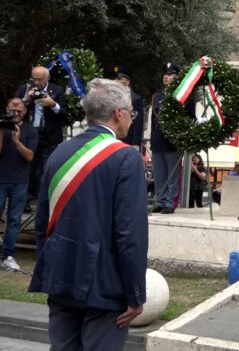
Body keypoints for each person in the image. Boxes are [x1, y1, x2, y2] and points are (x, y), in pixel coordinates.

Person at [28, 78, 148, 350]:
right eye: (132, 112)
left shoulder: (60, 151)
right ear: (119, 113)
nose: (132, 118)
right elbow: (130, 233)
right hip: (105, 285)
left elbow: (41, 221)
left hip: (60, 277)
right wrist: (136, 293)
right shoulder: (125, 157)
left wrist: (49, 268)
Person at [15, 66, 67, 207]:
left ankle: (43, 200)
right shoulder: (25, 89)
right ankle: (24, 200)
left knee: (46, 169)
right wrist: (26, 99)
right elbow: (14, 110)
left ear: (48, 78)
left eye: (40, 80)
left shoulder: (57, 90)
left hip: (48, 136)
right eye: (34, 79)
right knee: (28, 169)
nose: (36, 83)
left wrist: (53, 104)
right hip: (30, 134)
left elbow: (64, 115)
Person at [150, 62, 194, 214]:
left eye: (170, 74)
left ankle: (170, 202)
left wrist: (184, 139)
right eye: (165, 74)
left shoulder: (184, 96)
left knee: (173, 175)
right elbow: (153, 120)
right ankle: (159, 200)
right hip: (157, 141)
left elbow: (190, 118)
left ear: (177, 77)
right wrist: (151, 140)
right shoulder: (157, 96)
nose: (166, 77)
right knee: (159, 174)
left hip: (173, 142)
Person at [0, 98, 37, 271]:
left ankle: (8, 255)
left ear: (25, 111)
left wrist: (17, 142)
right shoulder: (1, 128)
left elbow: (30, 156)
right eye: (12, 110)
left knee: (14, 220)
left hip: (20, 181)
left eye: (19, 111)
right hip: (1, 178)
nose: (15, 114)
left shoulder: (30, 130)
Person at [113, 65, 145, 150]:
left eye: (119, 78)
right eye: (115, 78)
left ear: (127, 82)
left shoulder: (135, 99)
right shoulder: (111, 98)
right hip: (113, 141)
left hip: (128, 142)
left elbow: (138, 124)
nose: (116, 81)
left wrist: (136, 144)